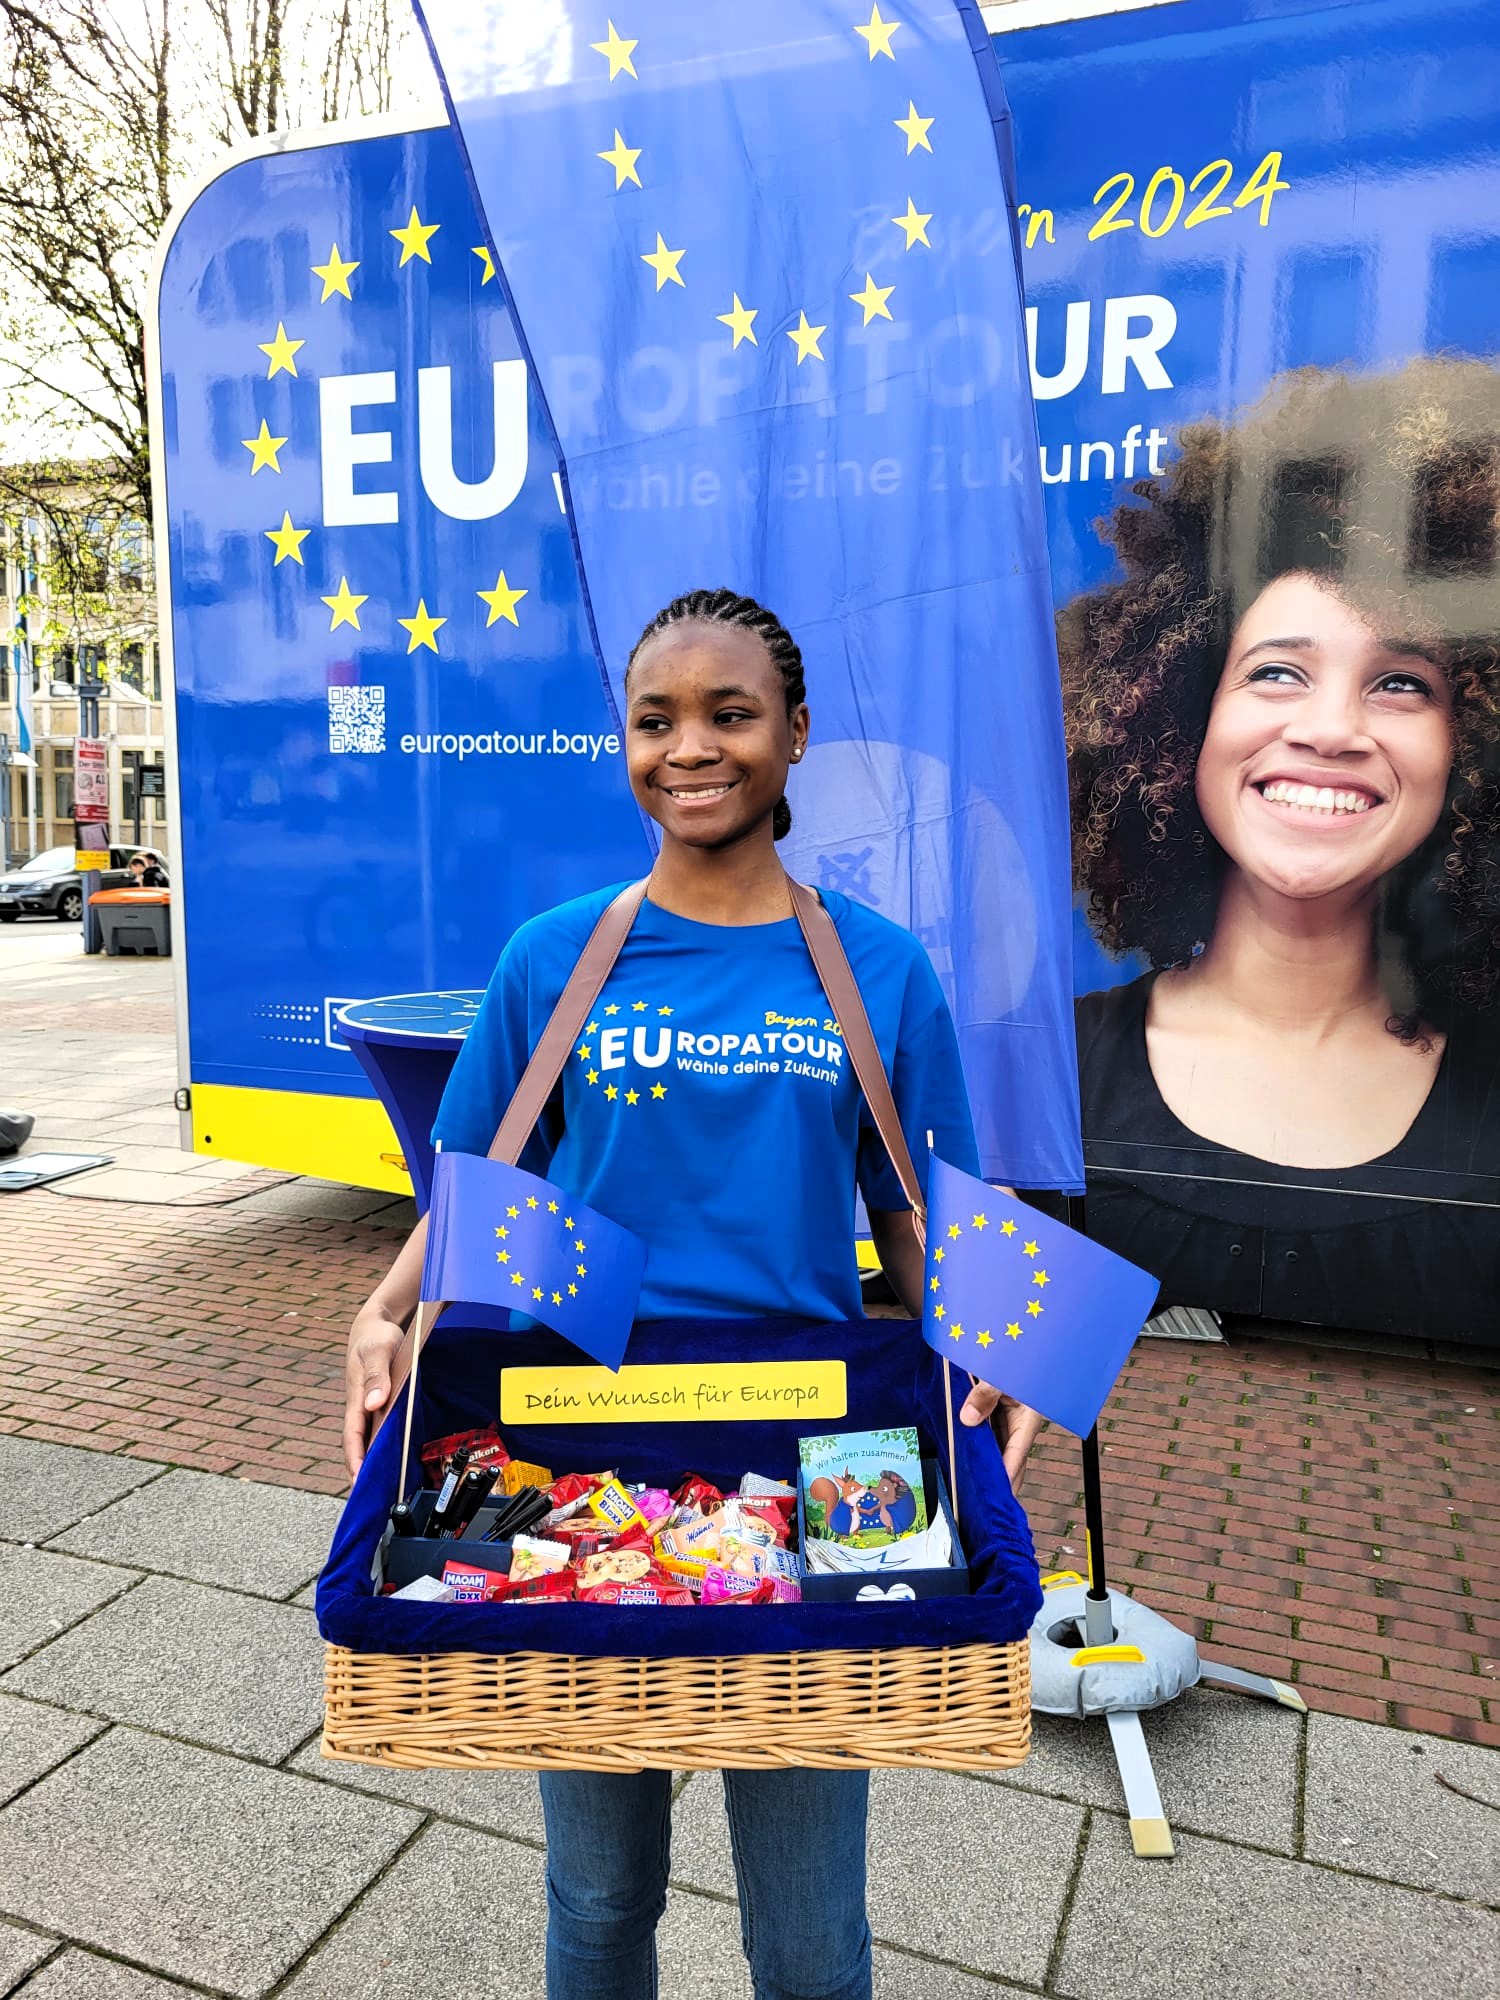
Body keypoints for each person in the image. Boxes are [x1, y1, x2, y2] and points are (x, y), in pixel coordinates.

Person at [342, 587, 1041, 2000]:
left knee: (807, 1932)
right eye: (655, 720)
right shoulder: (555, 954)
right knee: (599, 1898)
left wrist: (999, 1354)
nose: (691, 747)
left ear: (794, 739)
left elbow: (915, 1219)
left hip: (811, 1443)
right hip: (570, 1447)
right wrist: (384, 1307)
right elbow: (477, 1179)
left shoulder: (879, 970)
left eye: (731, 714)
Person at [1062, 360, 1500, 1341]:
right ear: (1175, 712)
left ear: (1471, 742)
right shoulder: (1047, 1073)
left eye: (1401, 684)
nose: (1332, 727)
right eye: (1277, 671)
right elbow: (987, 1410)